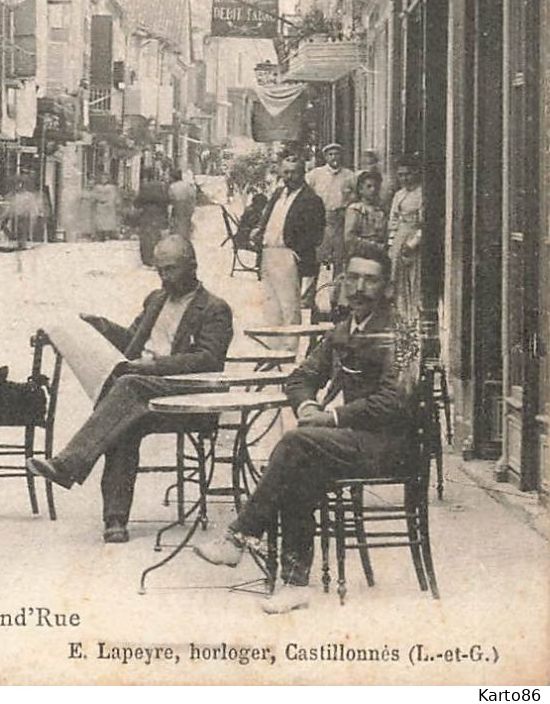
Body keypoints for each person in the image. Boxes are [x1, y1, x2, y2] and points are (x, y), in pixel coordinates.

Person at [195, 245, 415, 614]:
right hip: (353, 442)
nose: (360, 287)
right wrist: (309, 405)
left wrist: (330, 419)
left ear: (388, 288)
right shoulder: (344, 330)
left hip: (390, 446)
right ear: (342, 281)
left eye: (371, 280)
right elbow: (300, 377)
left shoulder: (399, 333)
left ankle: (241, 535)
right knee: (299, 462)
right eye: (353, 277)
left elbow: (395, 403)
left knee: (298, 442)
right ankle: (294, 584)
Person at [30, 236, 233, 542]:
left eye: (171, 270)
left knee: (126, 388)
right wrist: (97, 325)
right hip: (142, 393)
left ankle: (69, 464)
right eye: (160, 270)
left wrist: (151, 367)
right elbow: (131, 341)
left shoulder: (214, 308)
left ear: (192, 266)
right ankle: (115, 522)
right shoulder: (156, 300)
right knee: (122, 420)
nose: (164, 277)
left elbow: (208, 359)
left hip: (188, 396)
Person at [255, 154, 326, 352]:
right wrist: (260, 234)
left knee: (289, 304)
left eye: (294, 172)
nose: (289, 176)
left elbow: (315, 232)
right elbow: (268, 218)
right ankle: (272, 346)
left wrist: (297, 253)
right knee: (271, 302)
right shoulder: (278, 194)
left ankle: (289, 349)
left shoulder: (311, 199)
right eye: (285, 172)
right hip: (270, 253)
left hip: (288, 255)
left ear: (302, 174)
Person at [306, 142, 357, 301]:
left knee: (340, 260)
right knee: (316, 259)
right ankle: (308, 295)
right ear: (325, 156)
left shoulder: (349, 176)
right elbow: (306, 194)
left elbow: (356, 196)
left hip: (341, 220)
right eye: (330, 154)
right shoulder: (315, 174)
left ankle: (336, 298)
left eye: (337, 154)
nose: (334, 157)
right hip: (321, 221)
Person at [388, 156, 425, 316]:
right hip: (400, 237)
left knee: (414, 277)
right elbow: (394, 219)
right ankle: (401, 315)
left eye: (408, 174)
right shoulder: (399, 194)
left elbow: (425, 223)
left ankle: (414, 315)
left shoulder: (421, 193)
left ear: (415, 173)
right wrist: (392, 243)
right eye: (401, 175)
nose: (404, 178)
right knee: (397, 277)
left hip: (414, 236)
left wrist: (413, 243)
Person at [133, 171, 171, 266]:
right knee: (157, 237)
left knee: (146, 237)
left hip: (147, 214)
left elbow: (137, 202)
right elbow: (166, 200)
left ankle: (146, 259)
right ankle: (156, 258)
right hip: (159, 214)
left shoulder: (144, 187)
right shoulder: (162, 187)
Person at [167, 167, 198, 243]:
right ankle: (186, 239)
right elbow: (193, 196)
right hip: (187, 206)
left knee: (177, 224)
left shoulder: (172, 186)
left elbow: (170, 199)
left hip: (177, 206)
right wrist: (192, 207)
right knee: (186, 222)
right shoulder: (187, 185)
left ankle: (179, 240)